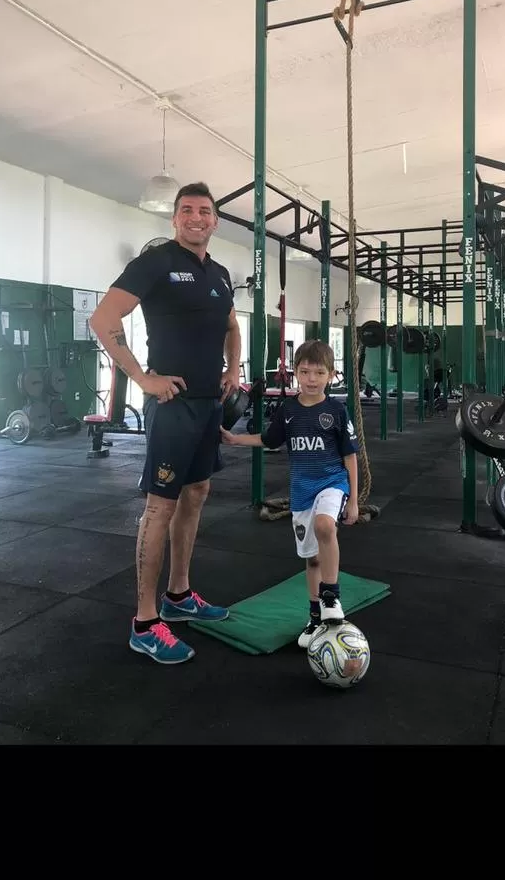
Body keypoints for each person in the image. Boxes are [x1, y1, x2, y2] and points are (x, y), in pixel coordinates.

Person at [89, 182, 241, 666]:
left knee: (197, 495)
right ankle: (145, 621)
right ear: (175, 219)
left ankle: (179, 595)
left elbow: (232, 327)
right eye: (187, 210)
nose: (197, 217)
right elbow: (103, 318)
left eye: (205, 211)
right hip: (172, 404)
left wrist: (233, 369)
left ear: (215, 221)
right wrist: (143, 378)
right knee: (160, 507)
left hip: (208, 403)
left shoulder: (218, 274)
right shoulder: (155, 263)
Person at [221, 339, 359, 649]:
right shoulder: (289, 410)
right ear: (295, 373)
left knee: (326, 526)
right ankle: (314, 618)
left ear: (331, 375)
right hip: (301, 492)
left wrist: (353, 500)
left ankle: (331, 597)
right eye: (305, 372)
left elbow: (350, 456)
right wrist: (235, 440)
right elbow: (269, 440)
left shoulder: (336, 410)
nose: (312, 379)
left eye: (319, 373)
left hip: (332, 483)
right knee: (311, 561)